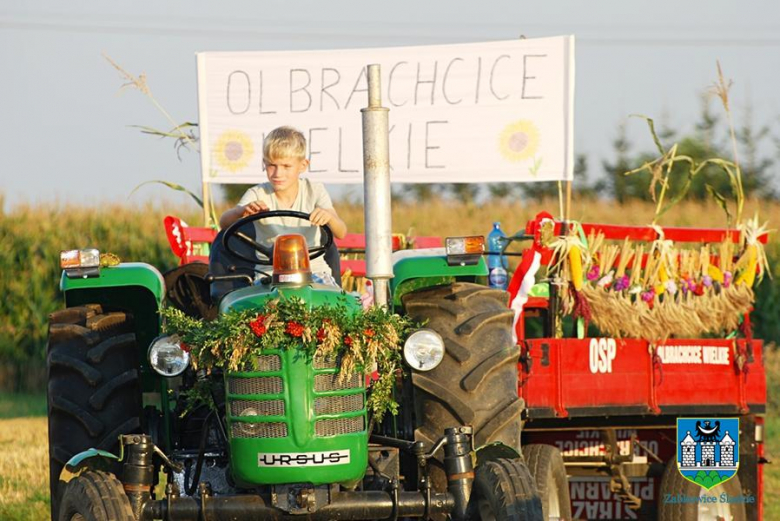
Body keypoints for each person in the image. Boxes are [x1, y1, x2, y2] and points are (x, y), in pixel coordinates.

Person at [219, 126, 347, 284]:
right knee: (261, 305)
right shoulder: (258, 193)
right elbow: (224, 223)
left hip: (314, 272)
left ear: (303, 165)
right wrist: (241, 211)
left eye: (286, 166)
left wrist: (328, 217)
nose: (278, 173)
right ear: (264, 163)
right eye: (272, 165)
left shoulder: (314, 191)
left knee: (331, 302)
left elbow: (341, 232)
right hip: (269, 273)